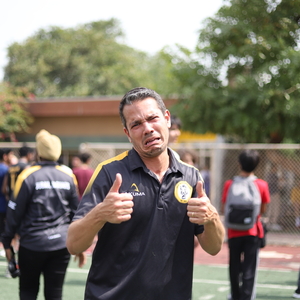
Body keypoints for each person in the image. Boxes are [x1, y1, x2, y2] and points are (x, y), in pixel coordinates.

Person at [66, 87, 225, 300]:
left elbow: (214, 247)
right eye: (136, 124)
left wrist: (212, 217)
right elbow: (74, 244)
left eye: (152, 118)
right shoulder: (109, 172)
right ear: (127, 133)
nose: (148, 129)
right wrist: (100, 213)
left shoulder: (191, 177)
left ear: (167, 118)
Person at [2, 129, 86, 300]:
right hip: (61, 245)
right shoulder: (68, 174)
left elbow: (15, 212)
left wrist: (7, 242)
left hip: (32, 244)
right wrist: (80, 244)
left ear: (38, 152)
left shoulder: (28, 175)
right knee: (55, 294)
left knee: (27, 292)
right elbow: (76, 213)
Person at [221, 150, 270, 300]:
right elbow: (263, 208)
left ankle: (235, 295)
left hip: (233, 231)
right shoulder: (261, 184)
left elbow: (225, 206)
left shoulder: (230, 184)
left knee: (234, 266)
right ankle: (246, 296)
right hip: (252, 231)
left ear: (239, 164)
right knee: (250, 268)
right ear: (256, 165)